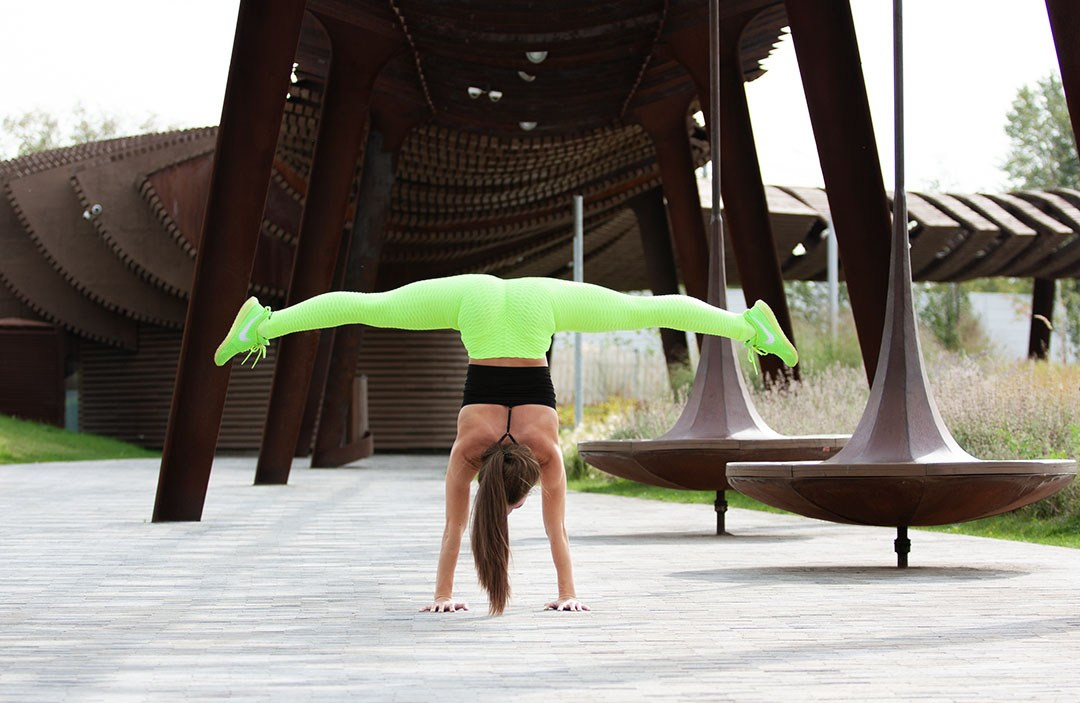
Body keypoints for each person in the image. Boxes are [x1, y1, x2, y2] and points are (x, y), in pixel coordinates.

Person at [214, 274, 797, 615]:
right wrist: (442, 593)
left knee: (637, 310)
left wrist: (570, 593)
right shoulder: (470, 449)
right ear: (504, 490)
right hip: (482, 305)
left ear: (525, 485)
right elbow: (452, 530)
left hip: (527, 304)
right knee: (371, 309)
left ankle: (260, 323)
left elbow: (556, 532)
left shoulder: (544, 451)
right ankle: (751, 325)